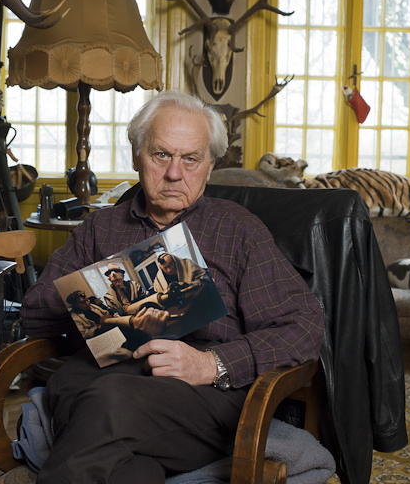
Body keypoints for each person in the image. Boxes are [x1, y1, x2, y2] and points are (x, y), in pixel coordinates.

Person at [20, 90, 324, 484]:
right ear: (136, 156)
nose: (174, 173)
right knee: (127, 461)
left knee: (108, 404)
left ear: (210, 166)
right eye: (161, 154)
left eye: (191, 159)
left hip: (200, 392)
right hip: (101, 371)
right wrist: (104, 296)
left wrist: (212, 364)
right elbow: (33, 312)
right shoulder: (102, 227)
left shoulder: (238, 230)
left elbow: (305, 327)